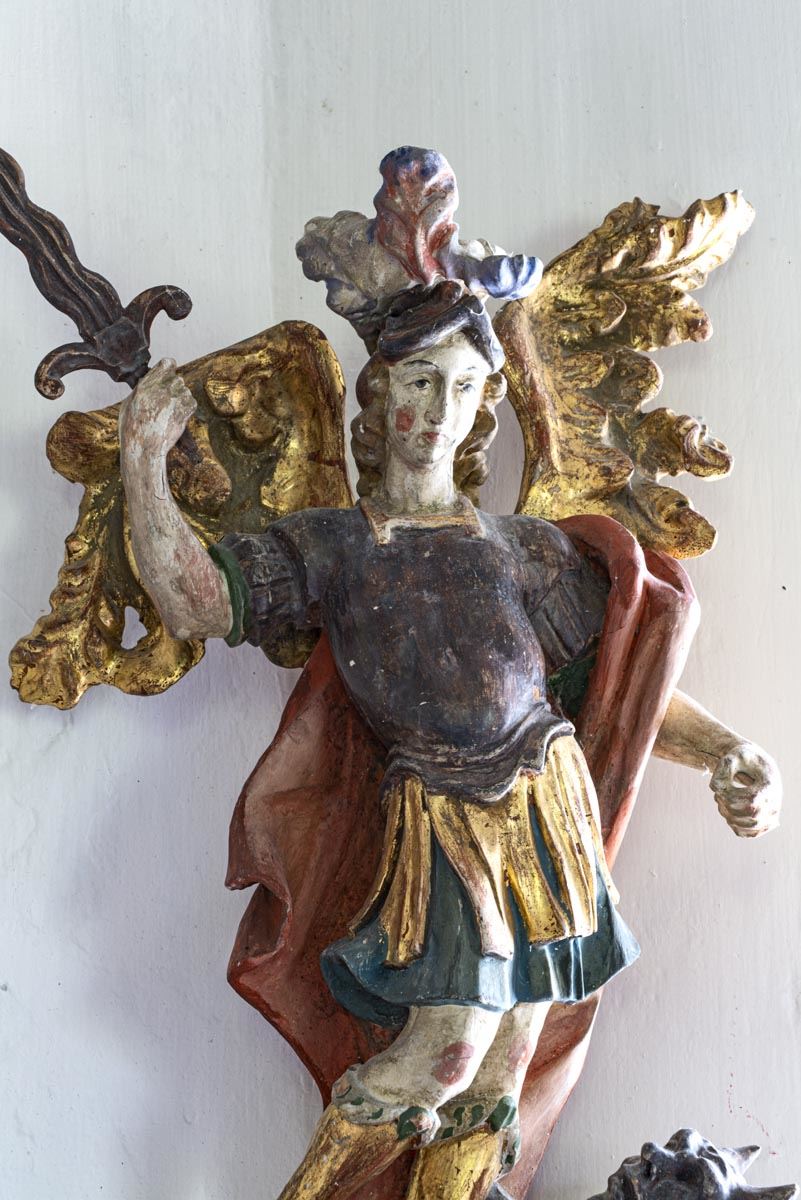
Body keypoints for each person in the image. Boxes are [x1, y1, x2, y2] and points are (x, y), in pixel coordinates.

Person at [119, 283, 781, 1200]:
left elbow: (619, 689)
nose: (439, 410)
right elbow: (195, 600)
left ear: (483, 406)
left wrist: (723, 751)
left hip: (549, 809)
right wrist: (144, 459)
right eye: (420, 382)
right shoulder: (335, 546)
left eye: (464, 387)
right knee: (441, 1056)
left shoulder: (520, 548)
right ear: (379, 391)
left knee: (497, 1080)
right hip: (444, 818)